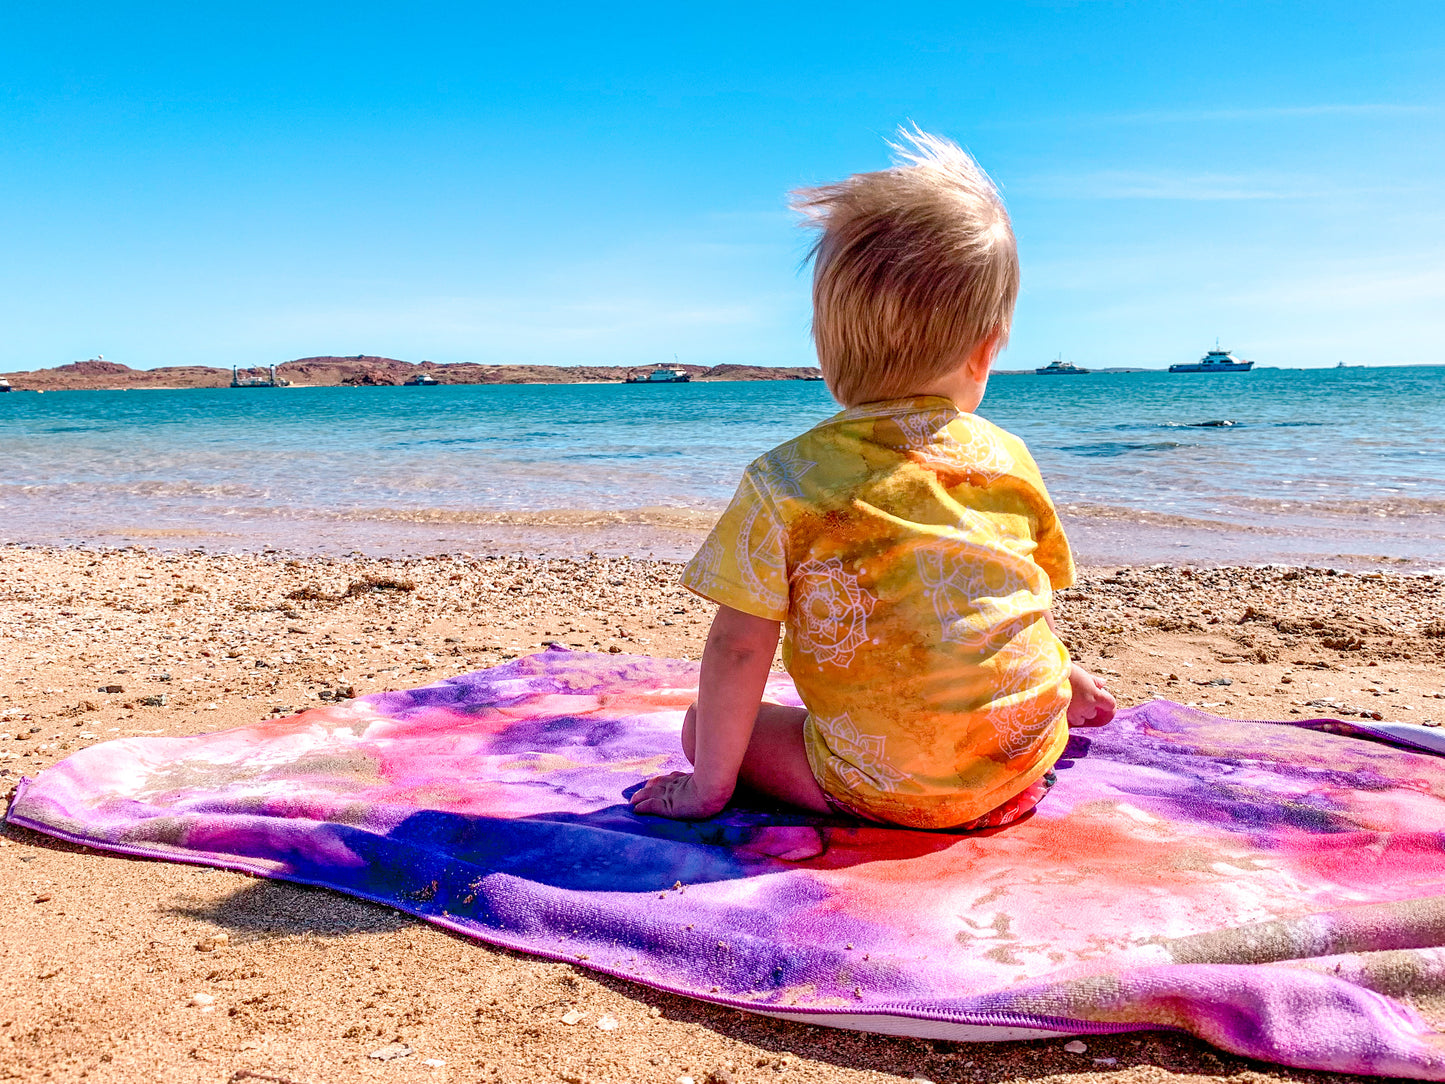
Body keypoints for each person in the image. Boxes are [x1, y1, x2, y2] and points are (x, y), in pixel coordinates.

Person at [630, 128, 1115, 828]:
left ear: (825, 348)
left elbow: (738, 647)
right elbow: (1010, 598)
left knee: (701, 722)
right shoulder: (1008, 457)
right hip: (1020, 758)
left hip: (886, 790)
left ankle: (886, 786)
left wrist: (707, 787)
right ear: (985, 352)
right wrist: (1063, 679)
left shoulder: (786, 480)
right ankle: (1009, 754)